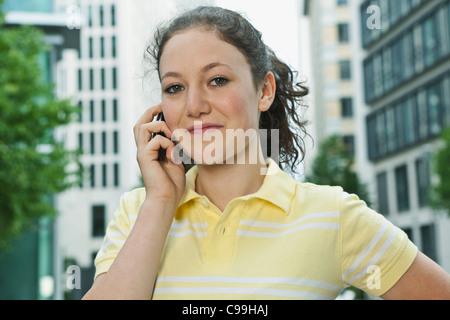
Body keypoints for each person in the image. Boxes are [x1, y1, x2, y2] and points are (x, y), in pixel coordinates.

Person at [83, 6, 450, 300]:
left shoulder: (333, 217)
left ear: (264, 91)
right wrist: (161, 202)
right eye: (175, 87)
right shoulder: (138, 213)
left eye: (217, 80)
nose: (193, 105)